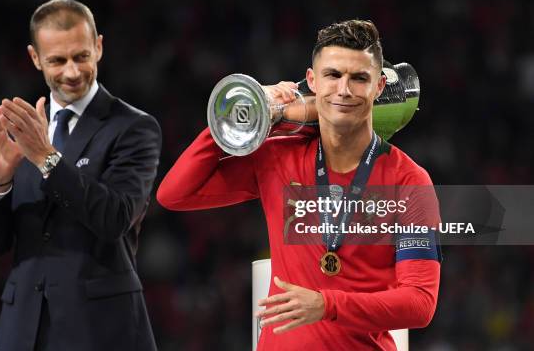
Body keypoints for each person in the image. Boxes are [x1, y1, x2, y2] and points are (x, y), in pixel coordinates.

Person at [157, 20, 441, 350]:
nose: (344, 90)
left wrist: (327, 305)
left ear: (379, 87)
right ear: (311, 80)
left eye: (359, 78)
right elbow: (174, 193)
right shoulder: (278, 157)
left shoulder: (409, 181)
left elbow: (420, 303)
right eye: (333, 75)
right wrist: (254, 114)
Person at [0, 0, 161, 351]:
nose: (72, 72)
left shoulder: (134, 128)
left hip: (99, 331)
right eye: (57, 60)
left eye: (81, 56)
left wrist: (45, 157)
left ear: (98, 47)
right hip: (20, 330)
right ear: (35, 58)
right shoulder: (24, 126)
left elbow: (114, 218)